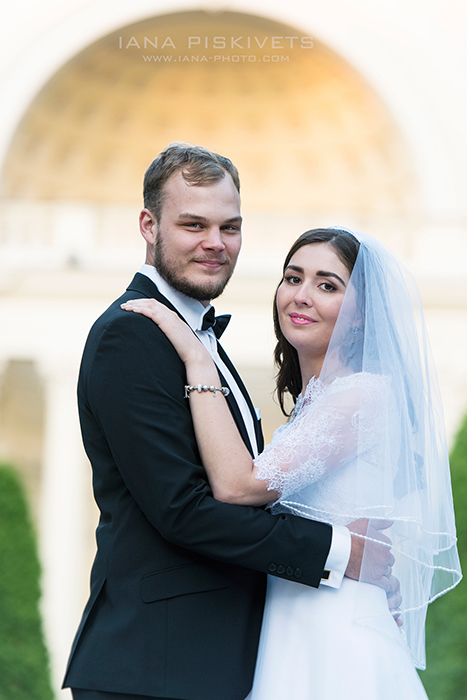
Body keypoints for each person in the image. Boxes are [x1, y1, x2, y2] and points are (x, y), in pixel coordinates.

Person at [63, 146, 396, 700]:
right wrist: (342, 551)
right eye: (194, 224)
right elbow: (183, 510)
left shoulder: (201, 340)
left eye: (230, 227)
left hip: (227, 659)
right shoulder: (132, 335)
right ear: (149, 225)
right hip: (155, 665)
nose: (214, 243)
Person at [121, 227, 462, 698]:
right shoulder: (317, 401)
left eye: (328, 285)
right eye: (292, 278)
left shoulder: (362, 395)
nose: (301, 296)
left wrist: (198, 362)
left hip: (334, 634)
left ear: (364, 314)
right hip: (293, 626)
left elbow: (238, 487)